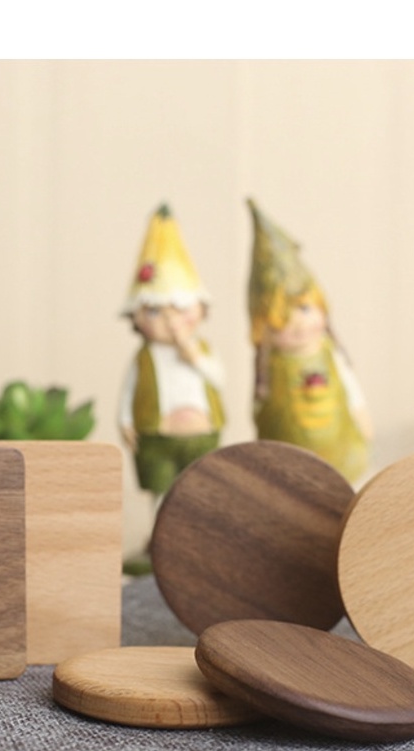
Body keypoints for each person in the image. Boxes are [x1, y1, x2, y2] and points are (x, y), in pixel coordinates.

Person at [119, 204, 225, 571]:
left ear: (200, 310)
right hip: (157, 434)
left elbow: (218, 380)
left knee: (200, 488)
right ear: (137, 317)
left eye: (179, 309)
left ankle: (197, 542)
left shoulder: (201, 351)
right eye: (155, 312)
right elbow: (129, 390)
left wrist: (192, 354)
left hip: (200, 433)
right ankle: (160, 542)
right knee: (161, 489)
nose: (169, 320)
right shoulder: (144, 357)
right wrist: (124, 420)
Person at [247, 198, 371, 485]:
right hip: (290, 458)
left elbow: (349, 385)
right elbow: (260, 407)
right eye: (281, 320)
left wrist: (361, 413)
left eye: (304, 309)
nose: (298, 324)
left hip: (340, 450)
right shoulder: (271, 366)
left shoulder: (329, 353)